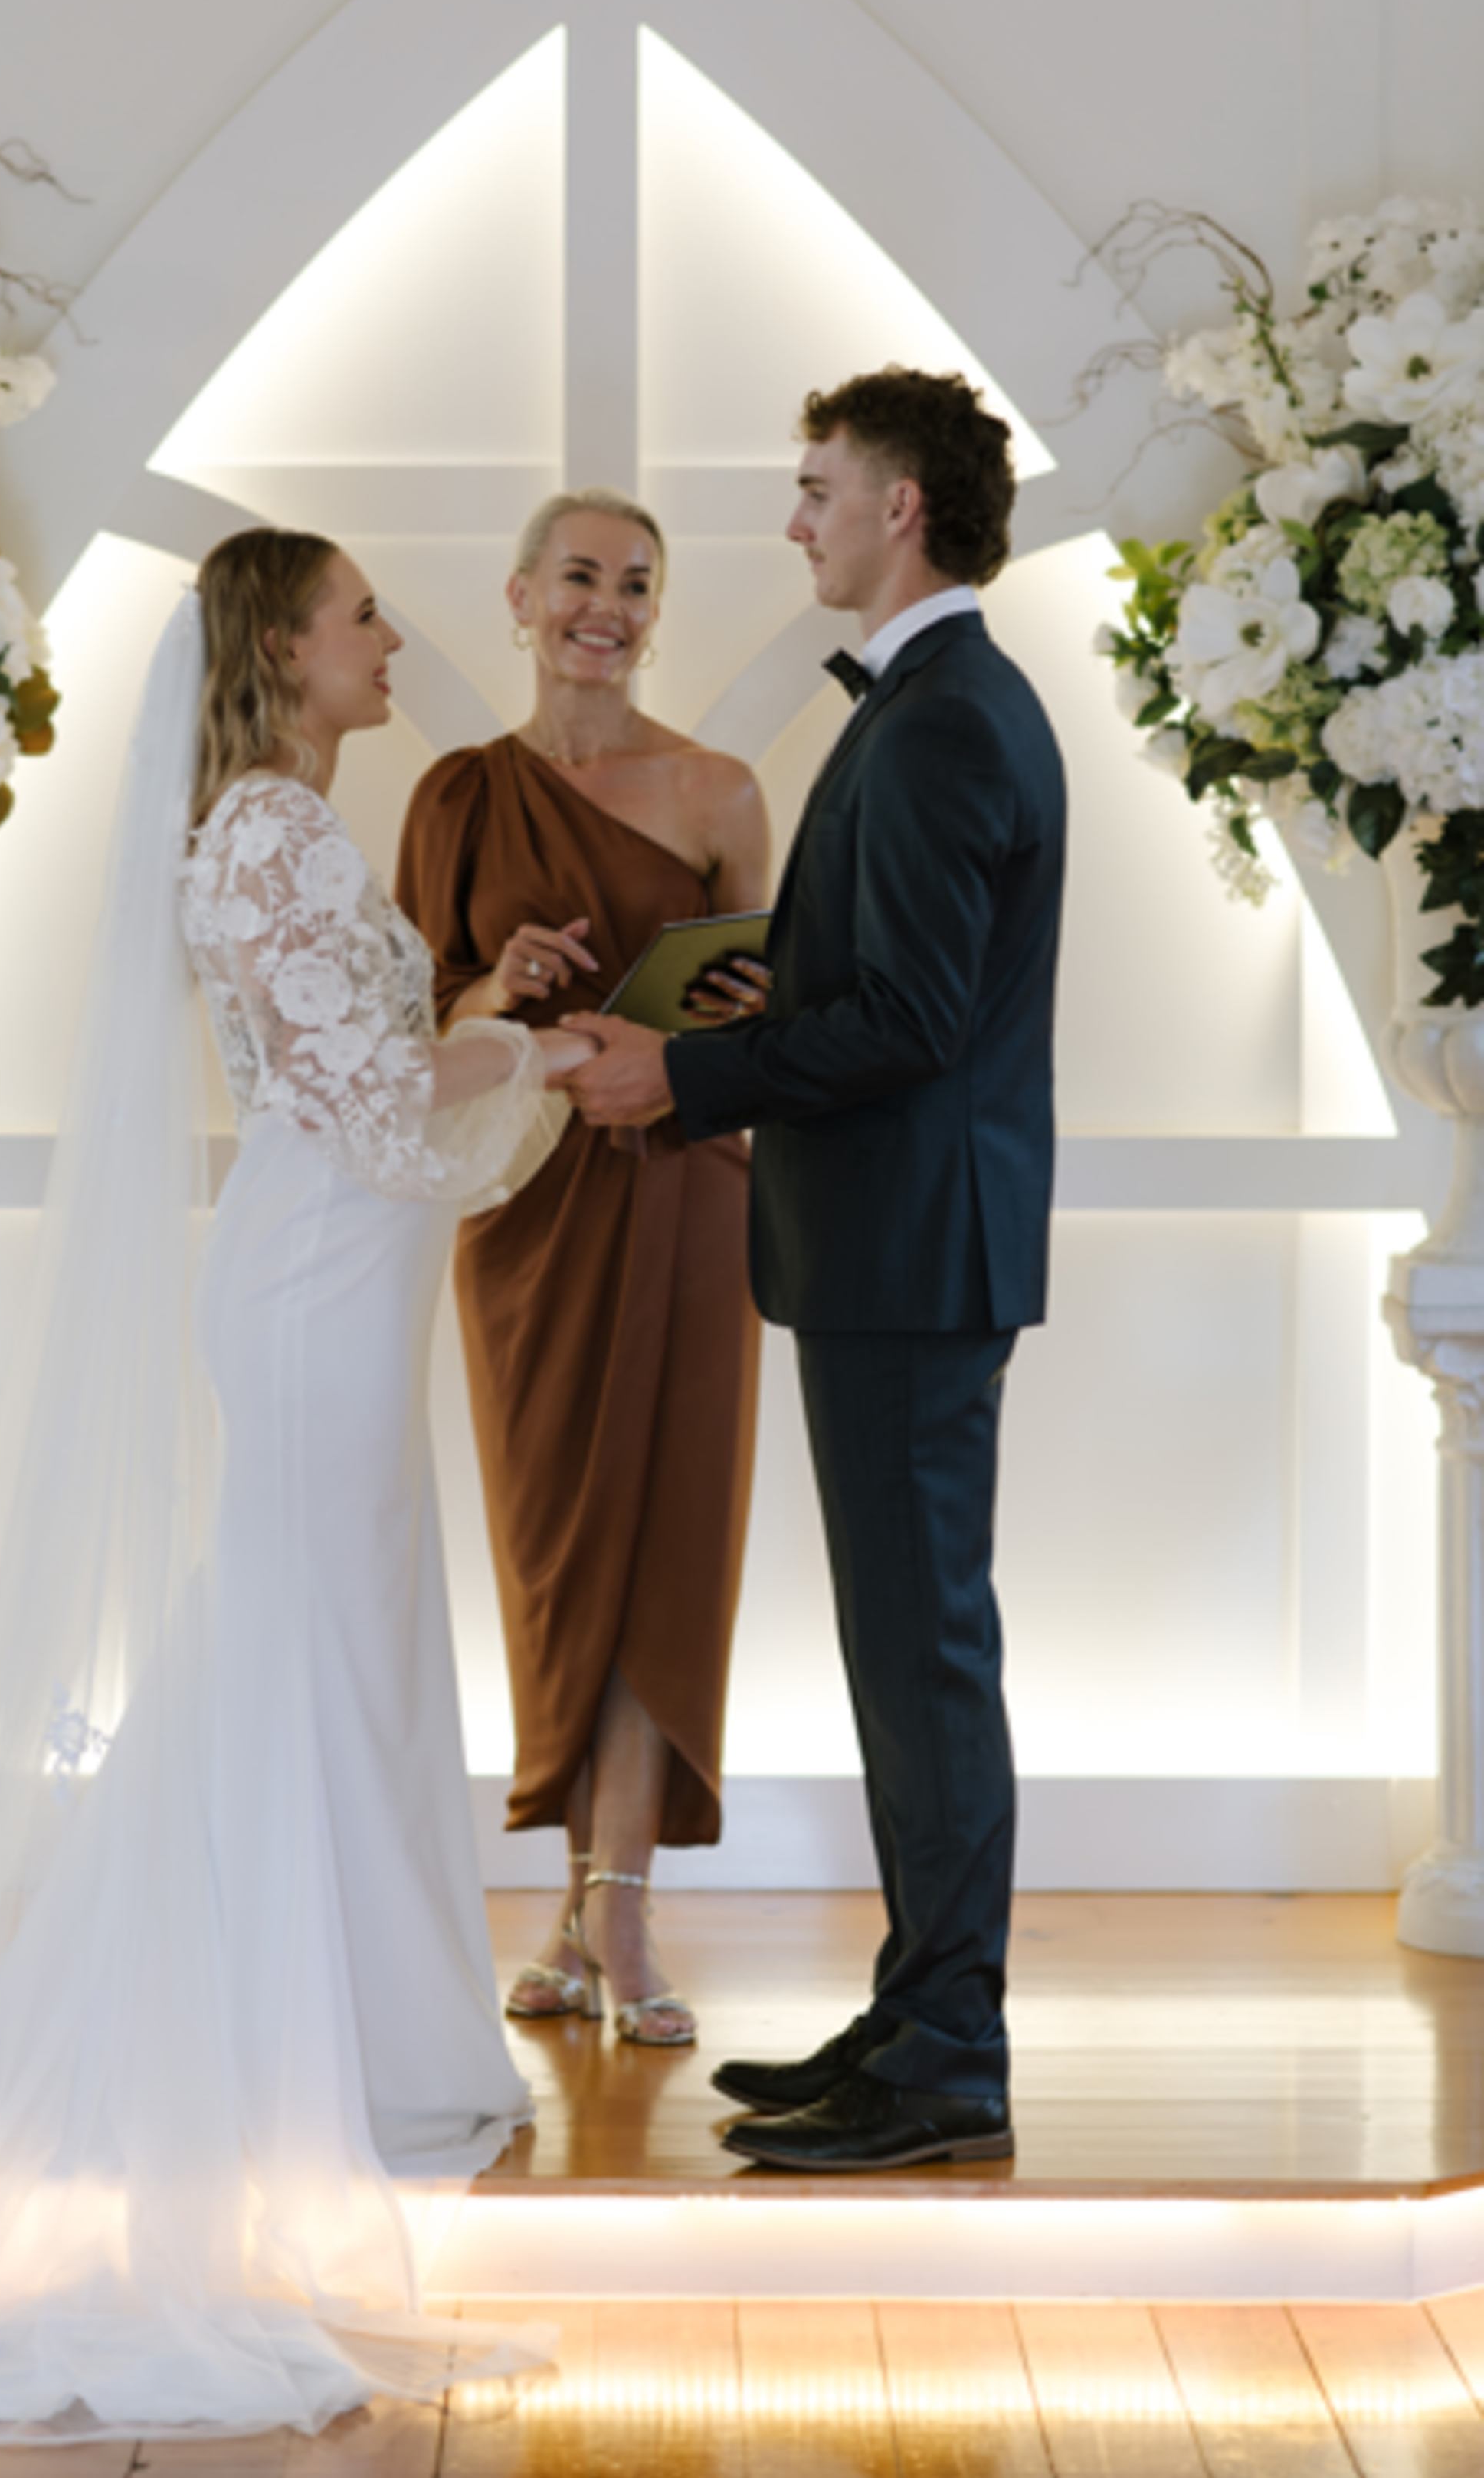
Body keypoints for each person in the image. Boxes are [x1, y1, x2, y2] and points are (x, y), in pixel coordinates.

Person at [0, 528, 594, 2444]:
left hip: (338, 1278)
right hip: (319, 1286)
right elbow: (359, 1100)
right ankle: (302, 2055)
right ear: (280, 646)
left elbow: (364, 1059)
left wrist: (484, 1005)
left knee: (338, 1649)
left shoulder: (293, 829)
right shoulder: (264, 832)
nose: (387, 637)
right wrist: (541, 1045)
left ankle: (348, 2034)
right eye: (358, 618)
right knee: (305, 1647)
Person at [568, 372, 1066, 2169]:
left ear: (901, 510)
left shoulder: (942, 719)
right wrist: (763, 990)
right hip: (899, 1251)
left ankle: (947, 2062)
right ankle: (919, 2011)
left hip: (909, 1258)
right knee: (907, 1653)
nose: (795, 523)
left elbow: (921, 1023)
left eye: (815, 490)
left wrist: (684, 1072)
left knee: (926, 1660)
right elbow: (889, 982)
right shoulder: (942, 704)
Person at [395, 490, 769, 2045]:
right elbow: (411, 1036)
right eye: (578, 579)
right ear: (519, 595)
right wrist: (505, 980)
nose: (605, 606)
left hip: (685, 1198)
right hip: (525, 1218)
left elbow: (768, 1016)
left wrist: (673, 1030)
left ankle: (617, 1918)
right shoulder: (455, 795)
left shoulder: (719, 789)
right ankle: (569, 1896)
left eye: (635, 584)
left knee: (662, 1541)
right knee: (555, 1555)